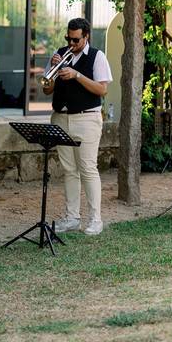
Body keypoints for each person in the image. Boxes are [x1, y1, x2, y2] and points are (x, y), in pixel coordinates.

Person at [44, 18, 113, 236]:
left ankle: (95, 219)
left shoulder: (97, 56)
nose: (71, 43)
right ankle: (72, 217)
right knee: (69, 170)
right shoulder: (60, 53)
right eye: (69, 38)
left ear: (86, 37)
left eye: (76, 39)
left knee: (88, 169)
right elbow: (47, 89)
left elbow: (102, 90)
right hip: (61, 117)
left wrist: (77, 75)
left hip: (86, 119)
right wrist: (55, 69)